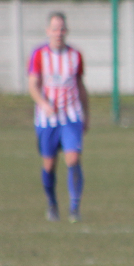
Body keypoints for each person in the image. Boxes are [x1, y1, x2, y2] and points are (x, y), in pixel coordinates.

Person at [27, 12, 88, 222]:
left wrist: (86, 114)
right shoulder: (39, 55)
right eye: (54, 29)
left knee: (73, 158)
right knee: (49, 164)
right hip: (47, 120)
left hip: (71, 117)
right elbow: (33, 85)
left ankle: (74, 208)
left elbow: (80, 86)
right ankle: (52, 204)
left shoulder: (75, 56)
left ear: (66, 31)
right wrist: (44, 104)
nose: (58, 33)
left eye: (62, 29)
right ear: (48, 31)